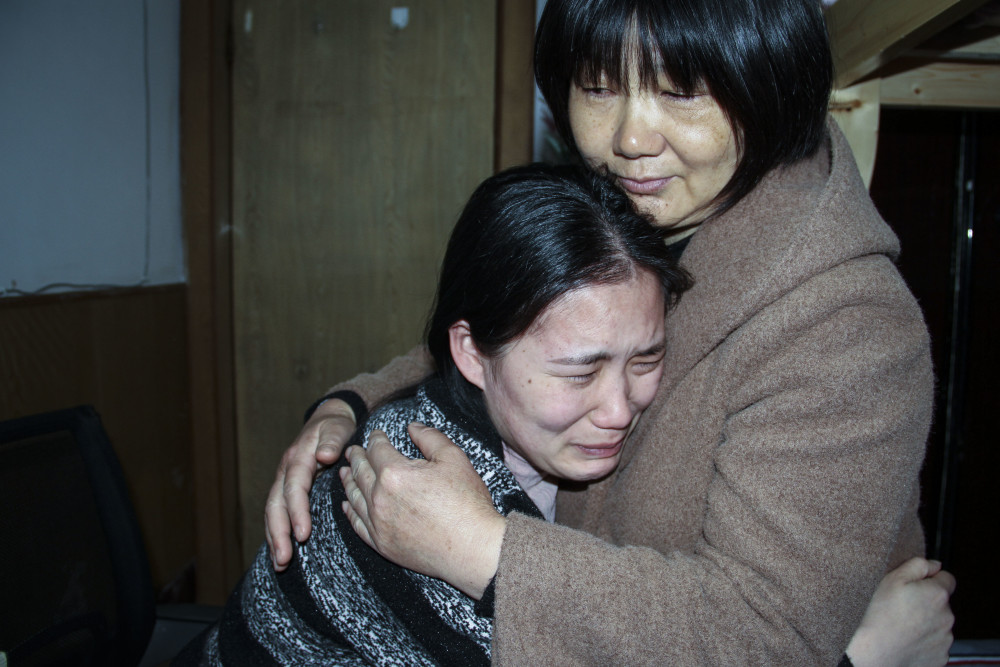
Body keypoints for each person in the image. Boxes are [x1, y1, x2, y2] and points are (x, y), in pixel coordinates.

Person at [265, 0, 956, 664]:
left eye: (681, 92)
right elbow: (516, 337)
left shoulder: (848, 326)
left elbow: (762, 634)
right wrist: (349, 403)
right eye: (598, 88)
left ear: (771, 83)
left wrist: (480, 549)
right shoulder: (655, 201)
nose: (629, 138)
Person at [176, 164, 691, 665]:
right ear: (471, 353)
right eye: (580, 373)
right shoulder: (404, 494)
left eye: (645, 361)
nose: (620, 410)